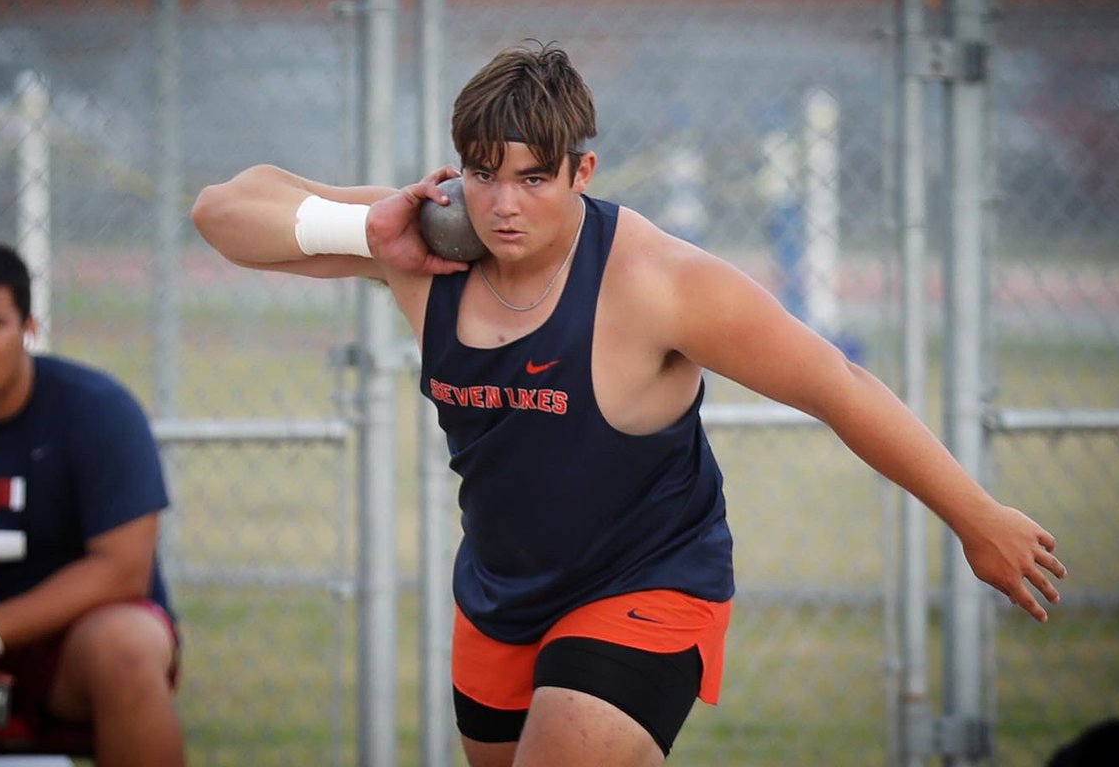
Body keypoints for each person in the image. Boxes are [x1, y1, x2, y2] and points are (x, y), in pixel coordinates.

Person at [191, 41, 1066, 767]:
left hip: (648, 580)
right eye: (484, 175)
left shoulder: (660, 284)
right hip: (501, 592)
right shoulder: (421, 241)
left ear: (584, 171)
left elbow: (838, 386)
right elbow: (223, 212)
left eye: (534, 179)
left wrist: (975, 516)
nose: (503, 206)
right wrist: (363, 229)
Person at [0, 240, 184, 767]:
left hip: (70, 642)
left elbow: (124, 570)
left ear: (29, 328)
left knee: (128, 648)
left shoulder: (98, 410)